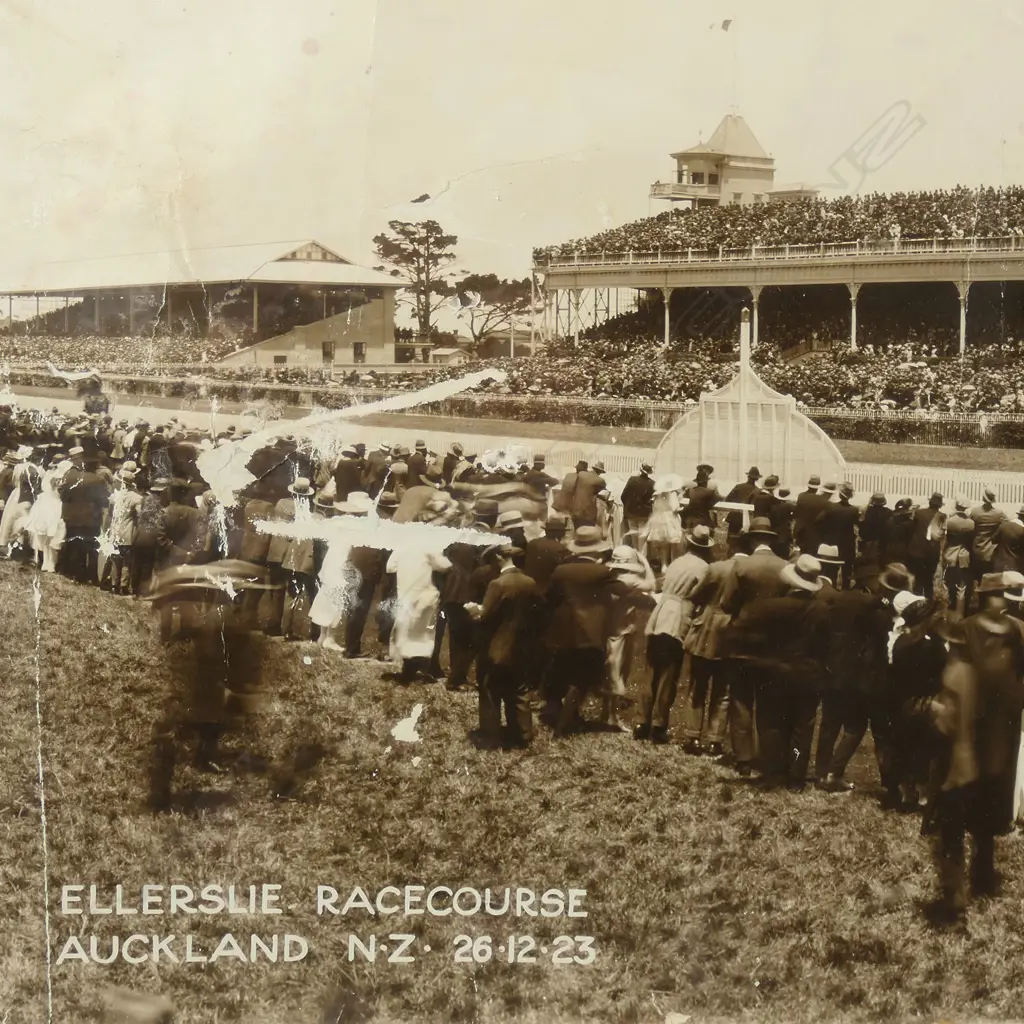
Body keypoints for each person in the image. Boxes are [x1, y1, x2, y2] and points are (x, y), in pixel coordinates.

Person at [926, 586, 1024, 924]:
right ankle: (969, 883)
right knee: (970, 819)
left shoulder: (963, 671)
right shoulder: (981, 658)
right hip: (978, 748)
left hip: (978, 749)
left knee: (968, 820)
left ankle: (967, 885)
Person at [724, 553, 830, 790]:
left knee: (771, 724)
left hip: (774, 673)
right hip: (808, 675)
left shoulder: (770, 607)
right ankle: (796, 777)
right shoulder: (823, 611)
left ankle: (774, 771)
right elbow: (825, 646)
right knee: (802, 728)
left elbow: (743, 633)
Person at [816, 559, 893, 791]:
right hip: (854, 674)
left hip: (831, 668)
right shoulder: (872, 603)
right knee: (855, 726)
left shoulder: (838, 599)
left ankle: (821, 772)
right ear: (870, 580)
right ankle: (834, 772)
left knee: (829, 725)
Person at [635, 525, 713, 745]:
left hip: (661, 612)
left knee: (651, 669)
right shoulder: (703, 567)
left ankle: (641, 721)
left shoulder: (677, 561)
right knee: (669, 673)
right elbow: (700, 594)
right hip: (679, 615)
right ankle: (658, 724)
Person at [466, 545, 540, 749]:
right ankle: (523, 734)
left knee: (490, 690)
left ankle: (490, 735)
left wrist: (472, 610)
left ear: (499, 557)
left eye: (492, 560)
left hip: (496, 646)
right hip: (521, 645)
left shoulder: (497, 584)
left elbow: (483, 616)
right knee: (519, 690)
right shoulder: (529, 582)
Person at [603, 546, 656, 731]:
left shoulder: (610, 577)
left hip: (612, 630)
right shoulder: (629, 581)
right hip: (622, 631)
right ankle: (613, 717)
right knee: (619, 674)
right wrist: (644, 560)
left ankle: (607, 713)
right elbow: (652, 584)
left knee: (612, 672)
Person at [815, 483, 860, 589]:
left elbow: (818, 521)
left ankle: (832, 588)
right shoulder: (854, 510)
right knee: (847, 569)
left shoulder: (831, 507)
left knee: (832, 569)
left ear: (840, 495)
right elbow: (857, 524)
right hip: (847, 543)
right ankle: (845, 590)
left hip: (832, 541)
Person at [906, 492, 945, 600]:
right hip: (932, 552)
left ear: (930, 502)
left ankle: (916, 601)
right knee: (929, 580)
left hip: (917, 551)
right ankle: (929, 602)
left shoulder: (919, 513)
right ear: (940, 505)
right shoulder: (942, 516)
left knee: (917, 580)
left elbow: (912, 529)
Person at [646, 473, 683, 573]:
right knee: (673, 543)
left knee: (663, 545)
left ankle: (664, 565)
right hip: (671, 519)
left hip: (660, 519)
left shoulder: (657, 495)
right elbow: (675, 508)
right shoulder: (672, 494)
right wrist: (680, 508)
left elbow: (654, 507)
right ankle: (673, 563)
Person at [944, 497, 976, 614]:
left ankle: (946, 612)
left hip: (950, 554)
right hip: (964, 556)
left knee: (947, 583)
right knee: (961, 587)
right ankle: (959, 614)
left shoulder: (950, 521)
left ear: (956, 506)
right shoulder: (971, 523)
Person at [970, 487, 1007, 585]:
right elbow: (1007, 524)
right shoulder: (998, 513)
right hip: (991, 551)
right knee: (989, 580)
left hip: (977, 550)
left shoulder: (975, 512)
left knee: (976, 579)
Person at [723, 466, 761, 554]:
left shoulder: (739, 487)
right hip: (748, 519)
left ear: (748, 476)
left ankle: (730, 557)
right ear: (757, 479)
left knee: (732, 541)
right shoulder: (758, 491)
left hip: (735, 517)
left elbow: (728, 499)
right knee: (746, 542)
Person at [620, 462, 655, 553]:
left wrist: (628, 507)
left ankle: (635, 557)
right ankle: (642, 558)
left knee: (634, 539)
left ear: (640, 469)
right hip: (644, 515)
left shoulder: (632, 480)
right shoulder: (652, 483)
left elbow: (623, 496)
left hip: (631, 514)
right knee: (642, 540)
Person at [793, 475, 828, 554]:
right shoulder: (821, 499)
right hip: (815, 533)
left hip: (801, 531)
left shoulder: (801, 496)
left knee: (803, 553)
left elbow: (797, 513)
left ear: (808, 485)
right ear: (817, 487)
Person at [992, 505, 1024, 575]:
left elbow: (993, 540)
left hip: (1000, 564)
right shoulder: (1022, 531)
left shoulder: (1004, 526)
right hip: (1016, 568)